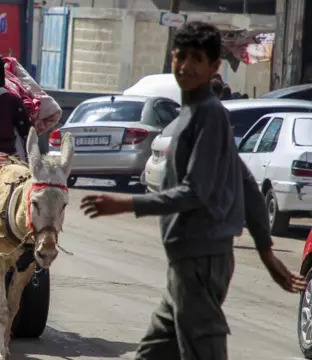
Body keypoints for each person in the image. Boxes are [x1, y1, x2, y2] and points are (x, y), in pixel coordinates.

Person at [80, 21, 306, 360]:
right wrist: (265, 250)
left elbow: (194, 192)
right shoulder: (193, 113)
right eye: (180, 56)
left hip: (201, 258)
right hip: (186, 260)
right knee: (154, 352)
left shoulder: (209, 115)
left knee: (203, 350)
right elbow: (245, 182)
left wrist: (125, 202)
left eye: (197, 59)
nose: (186, 66)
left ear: (215, 67)